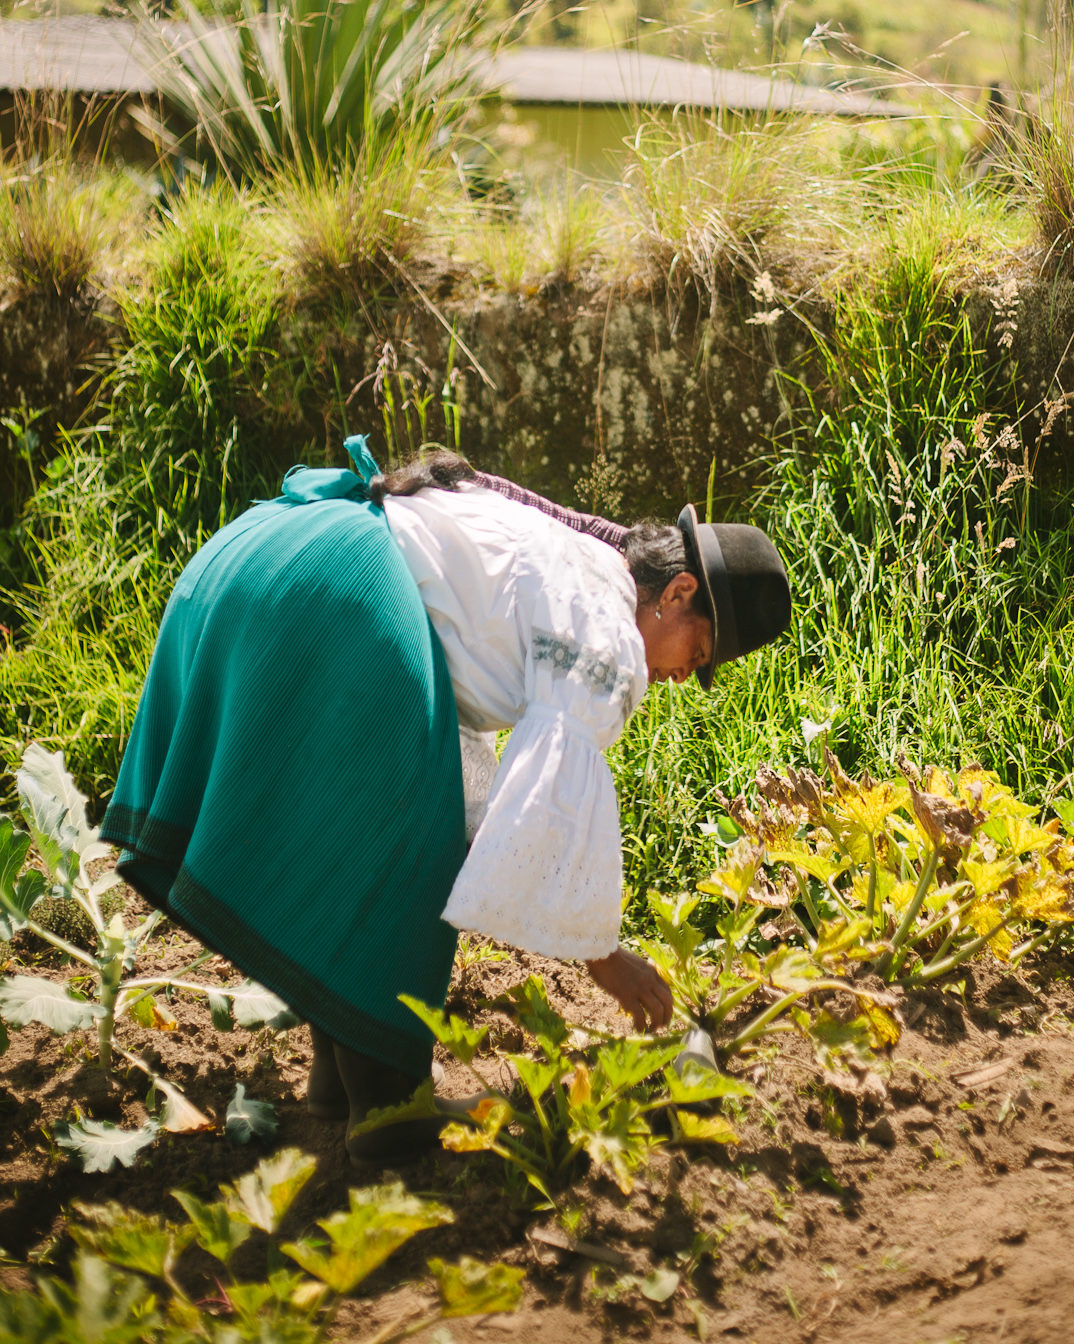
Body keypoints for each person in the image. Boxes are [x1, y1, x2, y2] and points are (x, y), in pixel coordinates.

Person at [103, 436, 791, 1164]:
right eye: (701, 653)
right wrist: (605, 958)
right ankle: (391, 1107)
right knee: (406, 839)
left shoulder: (573, 567)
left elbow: (474, 781)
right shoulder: (609, 636)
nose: (684, 676)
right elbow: (546, 807)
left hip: (265, 556)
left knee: (352, 831)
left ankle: (343, 1079)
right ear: (679, 593)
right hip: (336, 591)